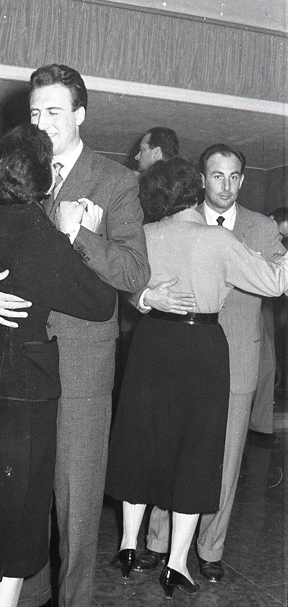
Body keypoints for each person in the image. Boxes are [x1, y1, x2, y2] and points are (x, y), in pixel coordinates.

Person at [0, 63, 154, 607]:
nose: (42, 123)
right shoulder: (6, 175)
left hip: (81, 367)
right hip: (13, 373)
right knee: (17, 503)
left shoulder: (116, 182)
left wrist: (82, 232)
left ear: (81, 115)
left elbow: (135, 272)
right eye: (35, 112)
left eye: (55, 111)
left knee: (76, 505)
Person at [105, 157, 288, 598]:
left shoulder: (146, 234)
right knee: (196, 452)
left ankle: (128, 547)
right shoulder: (218, 239)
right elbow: (274, 283)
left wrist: (146, 297)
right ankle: (176, 565)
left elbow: (124, 281)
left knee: (141, 442)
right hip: (200, 347)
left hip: (151, 344)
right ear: (195, 190)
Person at [249, 207, 288, 445]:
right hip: (246, 304)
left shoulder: (274, 243)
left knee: (267, 366)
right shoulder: (252, 233)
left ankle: (260, 426)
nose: (280, 241)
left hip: (265, 305)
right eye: (280, 234)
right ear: (270, 221)